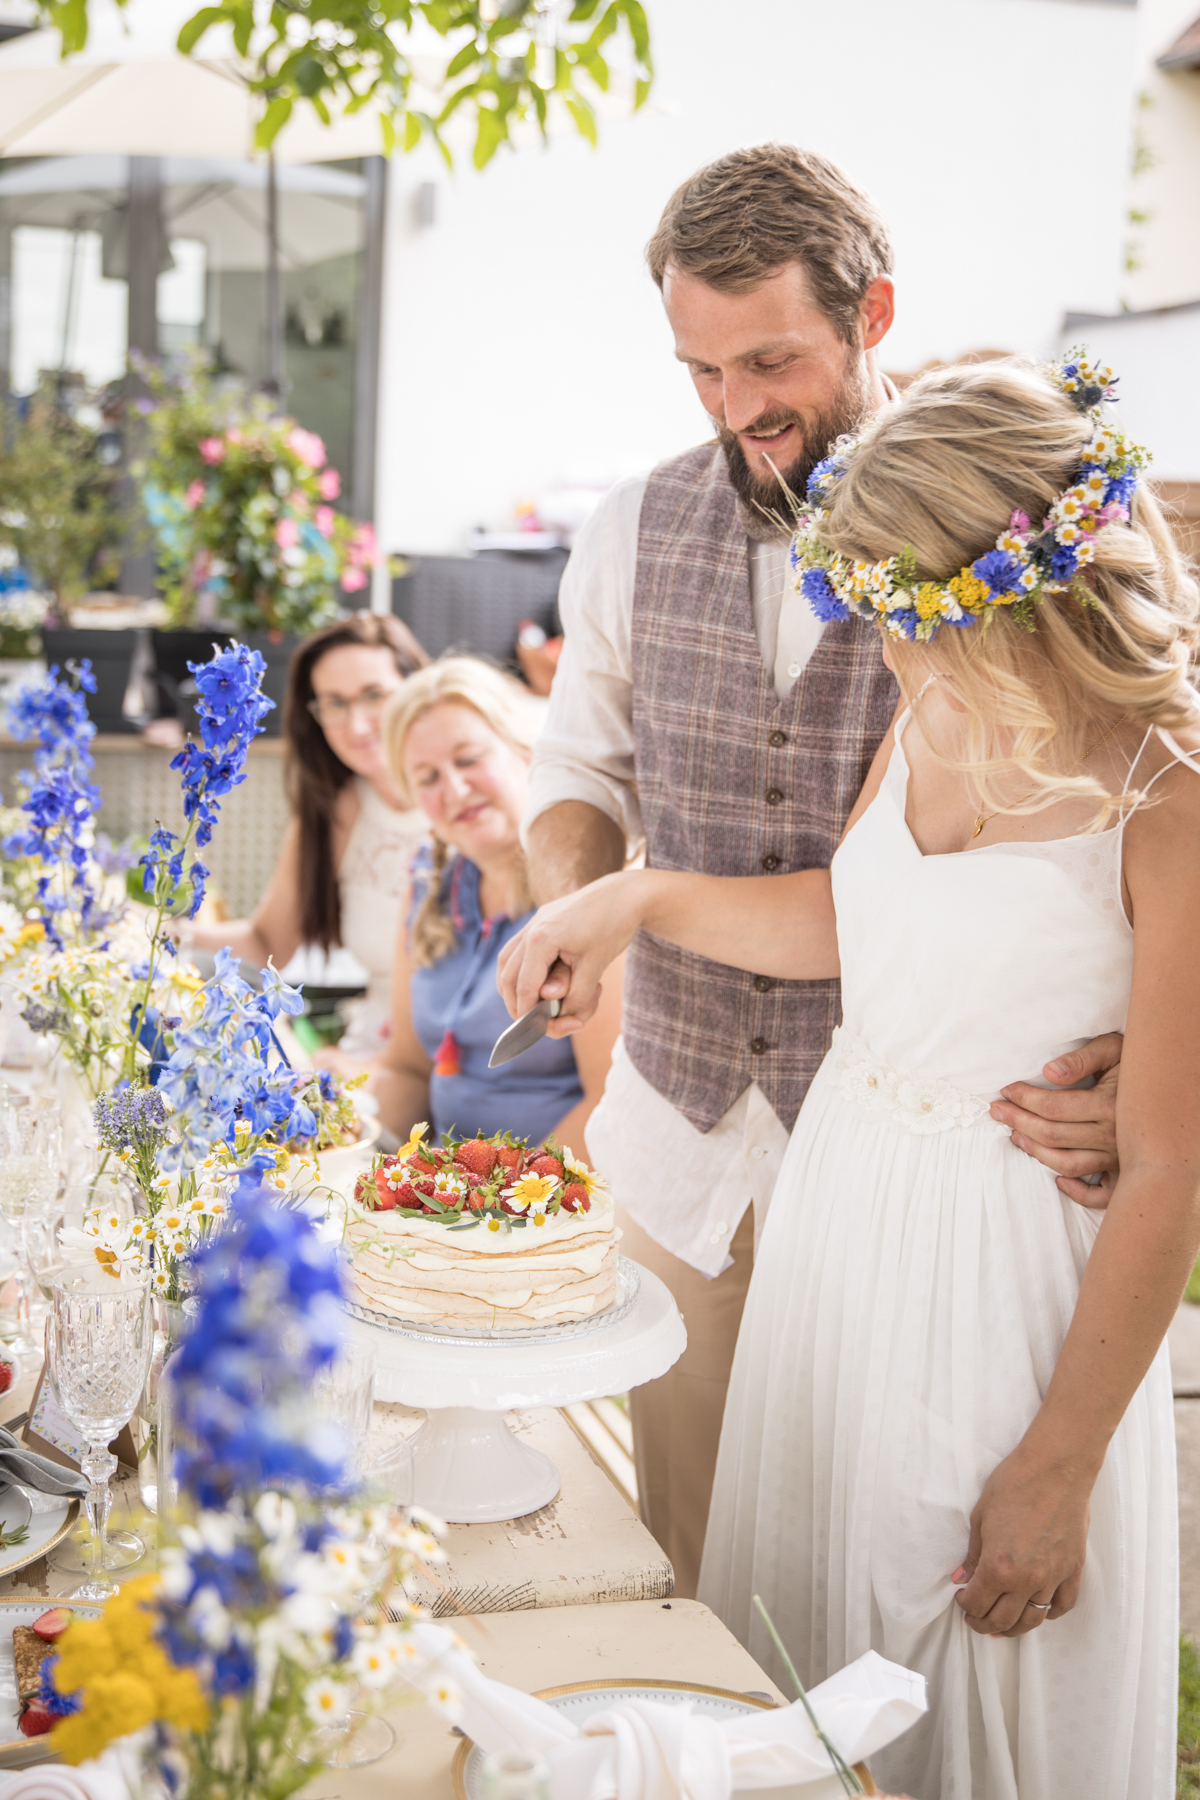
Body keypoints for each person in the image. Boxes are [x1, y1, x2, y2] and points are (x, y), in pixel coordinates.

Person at [500, 355, 1200, 1794]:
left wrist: (1060, 1466)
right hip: (843, 1219)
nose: (878, 650)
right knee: (798, 1638)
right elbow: (857, 920)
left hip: (1005, 1283)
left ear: (1003, 595)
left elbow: (1173, 1168)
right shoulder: (931, 713)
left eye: (890, 609)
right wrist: (636, 899)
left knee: (950, 1651)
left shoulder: (1165, 797)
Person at [521, 142, 1124, 1599]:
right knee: (687, 1556)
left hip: (938, 1164)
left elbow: (1141, 810)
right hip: (678, 1130)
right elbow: (577, 772)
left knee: (885, 1581)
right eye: (700, 372)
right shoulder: (632, 527)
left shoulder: (1025, 518)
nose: (738, 410)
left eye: (771, 360)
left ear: (876, 314)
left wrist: (1160, 1064)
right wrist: (574, 899)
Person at [362, 657, 621, 1150]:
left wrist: (491, 1205)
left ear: (526, 752)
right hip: (443, 1192)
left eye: (468, 759)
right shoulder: (427, 886)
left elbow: (609, 1103)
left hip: (543, 1197)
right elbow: (407, 1068)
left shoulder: (586, 893)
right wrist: (367, 1164)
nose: (455, 789)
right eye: (428, 777)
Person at [182, 613, 428, 1060]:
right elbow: (267, 943)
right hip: (377, 1060)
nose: (356, 725)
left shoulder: (472, 802)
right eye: (334, 703)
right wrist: (159, 932)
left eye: (374, 695)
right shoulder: (337, 808)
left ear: (416, 688)